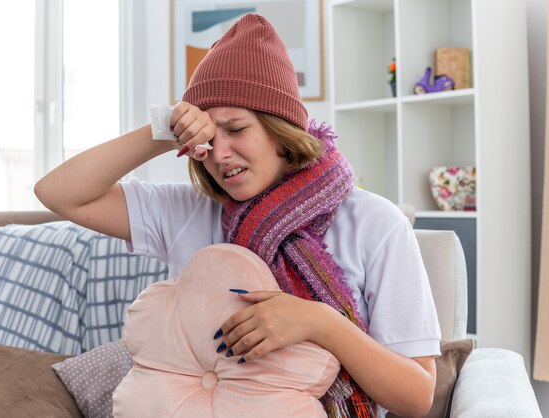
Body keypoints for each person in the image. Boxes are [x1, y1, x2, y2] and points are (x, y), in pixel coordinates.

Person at [35, 13, 440, 418]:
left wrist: (322, 323)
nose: (220, 152)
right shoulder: (188, 212)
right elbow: (59, 194)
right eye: (207, 136)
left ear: (280, 130)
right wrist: (163, 128)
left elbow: (417, 397)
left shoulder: (375, 223)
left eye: (236, 129)